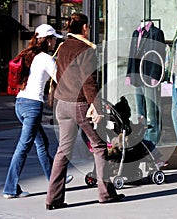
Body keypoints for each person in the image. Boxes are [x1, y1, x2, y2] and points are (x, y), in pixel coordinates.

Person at [46, 13, 125, 210]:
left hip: (62, 104)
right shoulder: (86, 49)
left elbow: (57, 74)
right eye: (89, 27)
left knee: (63, 150)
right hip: (79, 104)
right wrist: (96, 107)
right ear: (85, 28)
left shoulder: (62, 46)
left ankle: (53, 199)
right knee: (99, 146)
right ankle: (106, 194)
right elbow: (89, 81)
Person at [3, 24, 72, 199]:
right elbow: (61, 80)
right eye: (54, 38)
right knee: (23, 147)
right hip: (32, 106)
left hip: (20, 103)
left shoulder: (28, 55)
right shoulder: (45, 59)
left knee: (41, 144)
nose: (55, 41)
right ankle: (10, 188)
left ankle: (54, 180)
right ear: (48, 40)